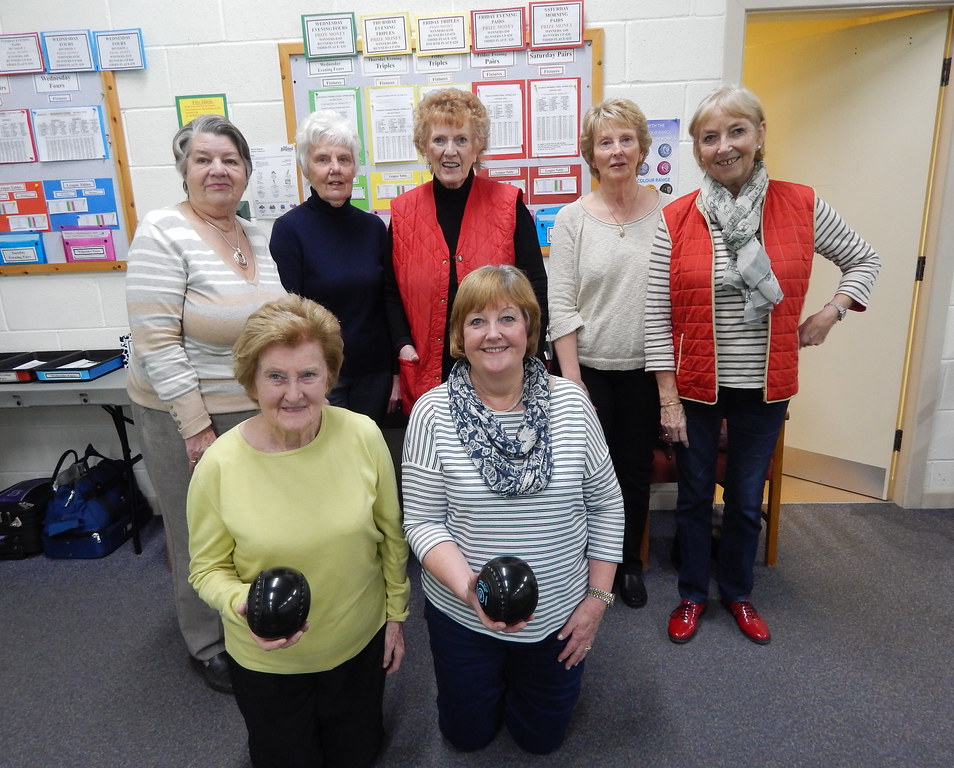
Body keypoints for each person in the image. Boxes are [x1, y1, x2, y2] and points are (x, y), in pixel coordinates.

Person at [645, 85, 880, 645]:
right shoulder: (676, 218)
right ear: (697, 149)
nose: (724, 146)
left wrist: (832, 311)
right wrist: (668, 398)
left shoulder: (801, 205)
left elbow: (864, 259)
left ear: (759, 136)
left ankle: (740, 593)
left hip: (767, 387)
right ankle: (693, 595)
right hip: (698, 385)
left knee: (747, 500)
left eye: (736, 131)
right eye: (710, 137)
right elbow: (656, 314)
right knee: (696, 497)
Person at [402, 265, 624, 755]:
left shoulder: (572, 404)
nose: (494, 333)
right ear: (460, 336)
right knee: (466, 738)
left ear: (530, 328)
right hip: (461, 614)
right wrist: (470, 591)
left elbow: (607, 504)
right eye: (477, 322)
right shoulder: (431, 412)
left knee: (540, 742)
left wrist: (596, 603)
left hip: (560, 615)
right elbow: (421, 521)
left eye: (508, 317)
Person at [187, 294, 410, 768]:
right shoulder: (219, 465)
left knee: (358, 755)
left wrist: (395, 617)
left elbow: (392, 537)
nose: (294, 393)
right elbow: (206, 569)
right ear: (251, 382)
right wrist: (240, 602)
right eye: (276, 377)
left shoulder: (363, 435)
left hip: (357, 644)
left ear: (329, 376)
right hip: (269, 662)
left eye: (308, 374)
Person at [126, 114, 286, 693]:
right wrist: (195, 426)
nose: (218, 170)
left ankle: (256, 617)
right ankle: (206, 641)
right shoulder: (163, 231)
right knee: (199, 531)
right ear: (184, 170)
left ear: (245, 172)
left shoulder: (259, 235)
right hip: (183, 411)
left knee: (251, 527)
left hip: (254, 411)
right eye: (203, 159)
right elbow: (157, 339)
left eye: (231, 160)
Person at [547, 98, 674, 609]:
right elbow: (560, 303)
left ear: (642, 148)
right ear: (591, 155)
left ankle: (628, 563)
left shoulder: (671, 213)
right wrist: (572, 379)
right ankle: (583, 561)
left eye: (626, 139)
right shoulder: (573, 218)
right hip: (588, 371)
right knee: (583, 474)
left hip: (645, 370)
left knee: (632, 471)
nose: (617, 150)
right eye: (605, 142)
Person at [386, 87, 548, 415]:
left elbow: (536, 289)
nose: (450, 151)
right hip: (428, 371)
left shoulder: (508, 205)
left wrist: (528, 352)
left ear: (478, 147)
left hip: (499, 367)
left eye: (461, 139)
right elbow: (389, 292)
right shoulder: (403, 213)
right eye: (439, 140)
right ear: (423, 147)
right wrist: (402, 344)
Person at [269, 110, 397, 424]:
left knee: (366, 455)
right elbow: (289, 315)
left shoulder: (373, 228)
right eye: (323, 159)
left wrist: (395, 372)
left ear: (355, 168)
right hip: (321, 377)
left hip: (374, 373)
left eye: (344, 159)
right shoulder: (289, 230)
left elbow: (388, 301)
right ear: (305, 169)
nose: (335, 169)